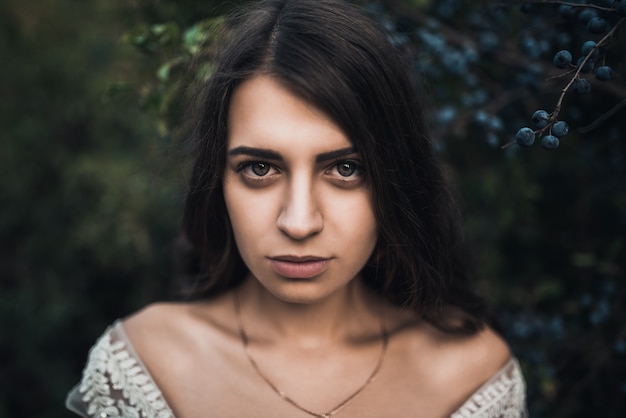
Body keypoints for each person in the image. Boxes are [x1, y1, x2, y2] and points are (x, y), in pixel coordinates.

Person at [66, 0, 527, 416]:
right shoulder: (149, 365)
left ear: (396, 179)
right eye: (260, 169)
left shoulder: (468, 375)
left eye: (346, 169)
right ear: (217, 180)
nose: (299, 222)